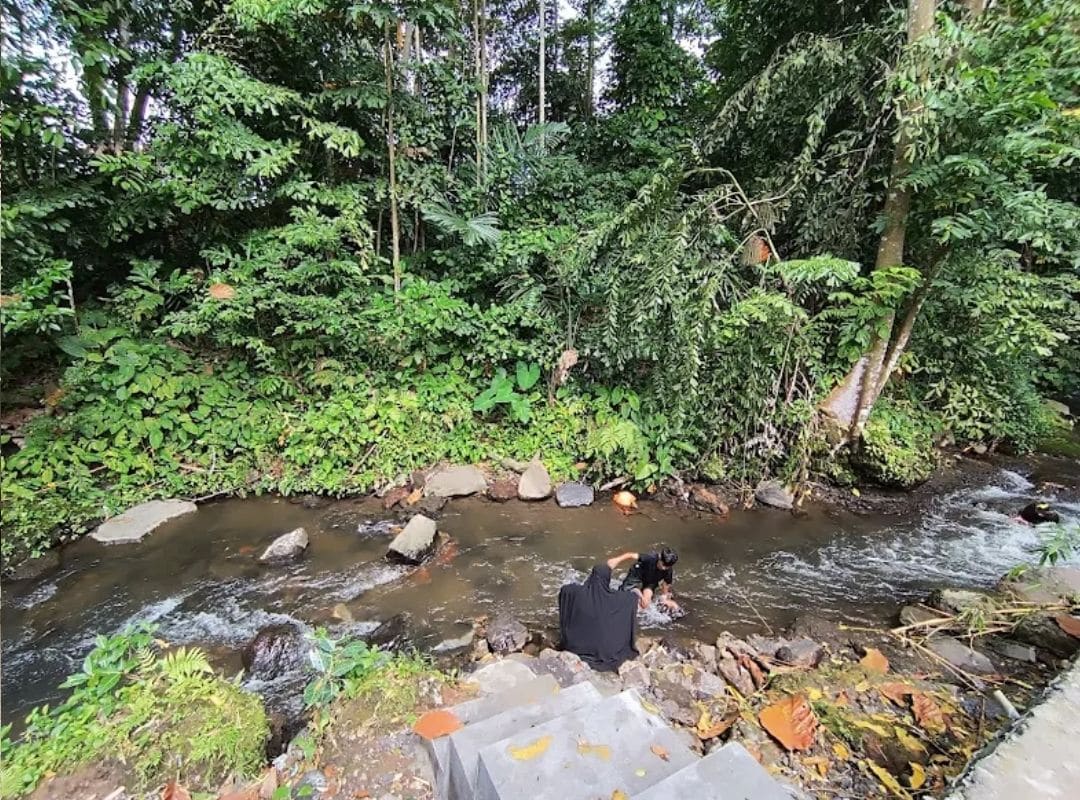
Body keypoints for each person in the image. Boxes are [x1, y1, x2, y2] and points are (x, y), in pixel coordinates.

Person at [557, 563, 638, 671]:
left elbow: (565, 590)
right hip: (607, 652)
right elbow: (632, 598)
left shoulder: (576, 593)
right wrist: (636, 591)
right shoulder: (618, 599)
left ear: (592, 576)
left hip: (576, 648)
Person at [607, 547, 681, 612]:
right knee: (622, 595)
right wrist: (616, 560)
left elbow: (666, 583)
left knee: (645, 604)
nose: (664, 568)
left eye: (667, 567)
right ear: (660, 558)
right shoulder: (650, 558)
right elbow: (630, 555)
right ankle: (634, 589)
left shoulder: (668, 570)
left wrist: (665, 596)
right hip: (637, 573)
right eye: (663, 565)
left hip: (651, 580)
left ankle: (640, 595)